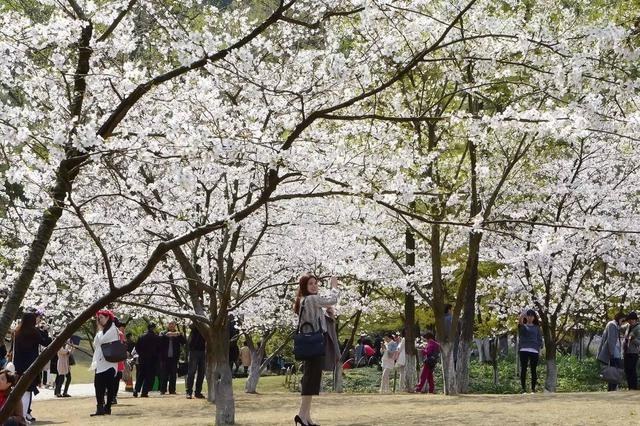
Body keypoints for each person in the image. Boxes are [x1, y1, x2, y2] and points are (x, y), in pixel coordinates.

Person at [293, 274, 339, 426]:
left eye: (315, 283)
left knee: (312, 379)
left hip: (311, 343)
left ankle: (306, 417)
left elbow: (315, 320)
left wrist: (327, 314)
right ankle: (301, 414)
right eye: (310, 284)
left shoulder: (305, 301)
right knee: (311, 379)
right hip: (315, 344)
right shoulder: (312, 299)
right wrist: (334, 287)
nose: (314, 286)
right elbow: (332, 300)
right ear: (304, 287)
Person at [12, 311, 50, 423]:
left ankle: (20, 416)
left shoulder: (17, 332)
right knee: (27, 391)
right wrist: (48, 334)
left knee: (19, 391)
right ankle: (23, 416)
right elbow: (45, 342)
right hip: (31, 365)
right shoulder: (34, 332)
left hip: (18, 364)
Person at [90, 309, 119, 416]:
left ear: (108, 318)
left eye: (102, 317)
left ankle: (107, 407)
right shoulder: (100, 331)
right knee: (98, 385)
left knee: (109, 386)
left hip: (110, 362)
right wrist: (99, 331)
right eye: (99, 318)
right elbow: (96, 343)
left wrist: (99, 333)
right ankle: (100, 407)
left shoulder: (113, 329)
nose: (100, 320)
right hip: (101, 362)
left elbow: (101, 341)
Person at [597, 312, 625, 391]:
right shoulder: (612, 325)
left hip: (615, 351)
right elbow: (611, 340)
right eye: (622, 320)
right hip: (613, 351)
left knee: (614, 370)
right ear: (619, 318)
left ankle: (612, 388)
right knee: (615, 370)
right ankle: (613, 388)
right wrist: (612, 354)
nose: (622, 322)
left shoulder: (614, 325)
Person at [518, 309, 543, 393]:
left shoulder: (537, 328)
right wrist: (522, 315)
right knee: (523, 369)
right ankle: (523, 389)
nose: (530, 317)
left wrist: (539, 349)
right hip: (524, 349)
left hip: (534, 350)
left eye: (531, 316)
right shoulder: (523, 326)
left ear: (534, 317)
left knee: (533, 370)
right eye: (528, 316)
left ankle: (533, 389)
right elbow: (520, 322)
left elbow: (539, 339)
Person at [159, 321, 186, 395]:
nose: (171, 326)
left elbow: (184, 342)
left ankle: (172, 390)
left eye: (173, 324)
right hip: (164, 358)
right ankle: (163, 390)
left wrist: (179, 335)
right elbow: (159, 341)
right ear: (167, 325)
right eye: (170, 324)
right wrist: (166, 335)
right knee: (164, 374)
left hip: (174, 358)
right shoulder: (163, 333)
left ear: (175, 326)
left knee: (173, 375)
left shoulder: (177, 334)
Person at [134, 323, 160, 398]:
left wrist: (141, 354)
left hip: (142, 358)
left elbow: (137, 347)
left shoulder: (141, 337)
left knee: (141, 375)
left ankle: (136, 390)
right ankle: (144, 392)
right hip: (152, 359)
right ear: (154, 328)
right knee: (149, 376)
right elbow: (159, 349)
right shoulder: (156, 337)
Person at [186, 323, 206, 399]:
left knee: (201, 373)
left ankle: (198, 392)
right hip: (194, 350)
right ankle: (189, 392)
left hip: (203, 350)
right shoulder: (195, 322)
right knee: (191, 372)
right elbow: (191, 325)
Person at [621, 312, 640, 390]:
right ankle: (630, 387)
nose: (631, 321)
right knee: (627, 370)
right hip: (626, 351)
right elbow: (620, 328)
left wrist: (633, 339)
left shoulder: (638, 328)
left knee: (632, 370)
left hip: (634, 352)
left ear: (636, 320)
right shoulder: (628, 326)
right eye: (629, 320)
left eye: (632, 320)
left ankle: (633, 387)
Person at [110, 318, 126, 405]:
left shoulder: (117, 334)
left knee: (111, 380)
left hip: (111, 360)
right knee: (115, 380)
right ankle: (113, 397)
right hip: (118, 360)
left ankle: (111, 396)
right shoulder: (120, 334)